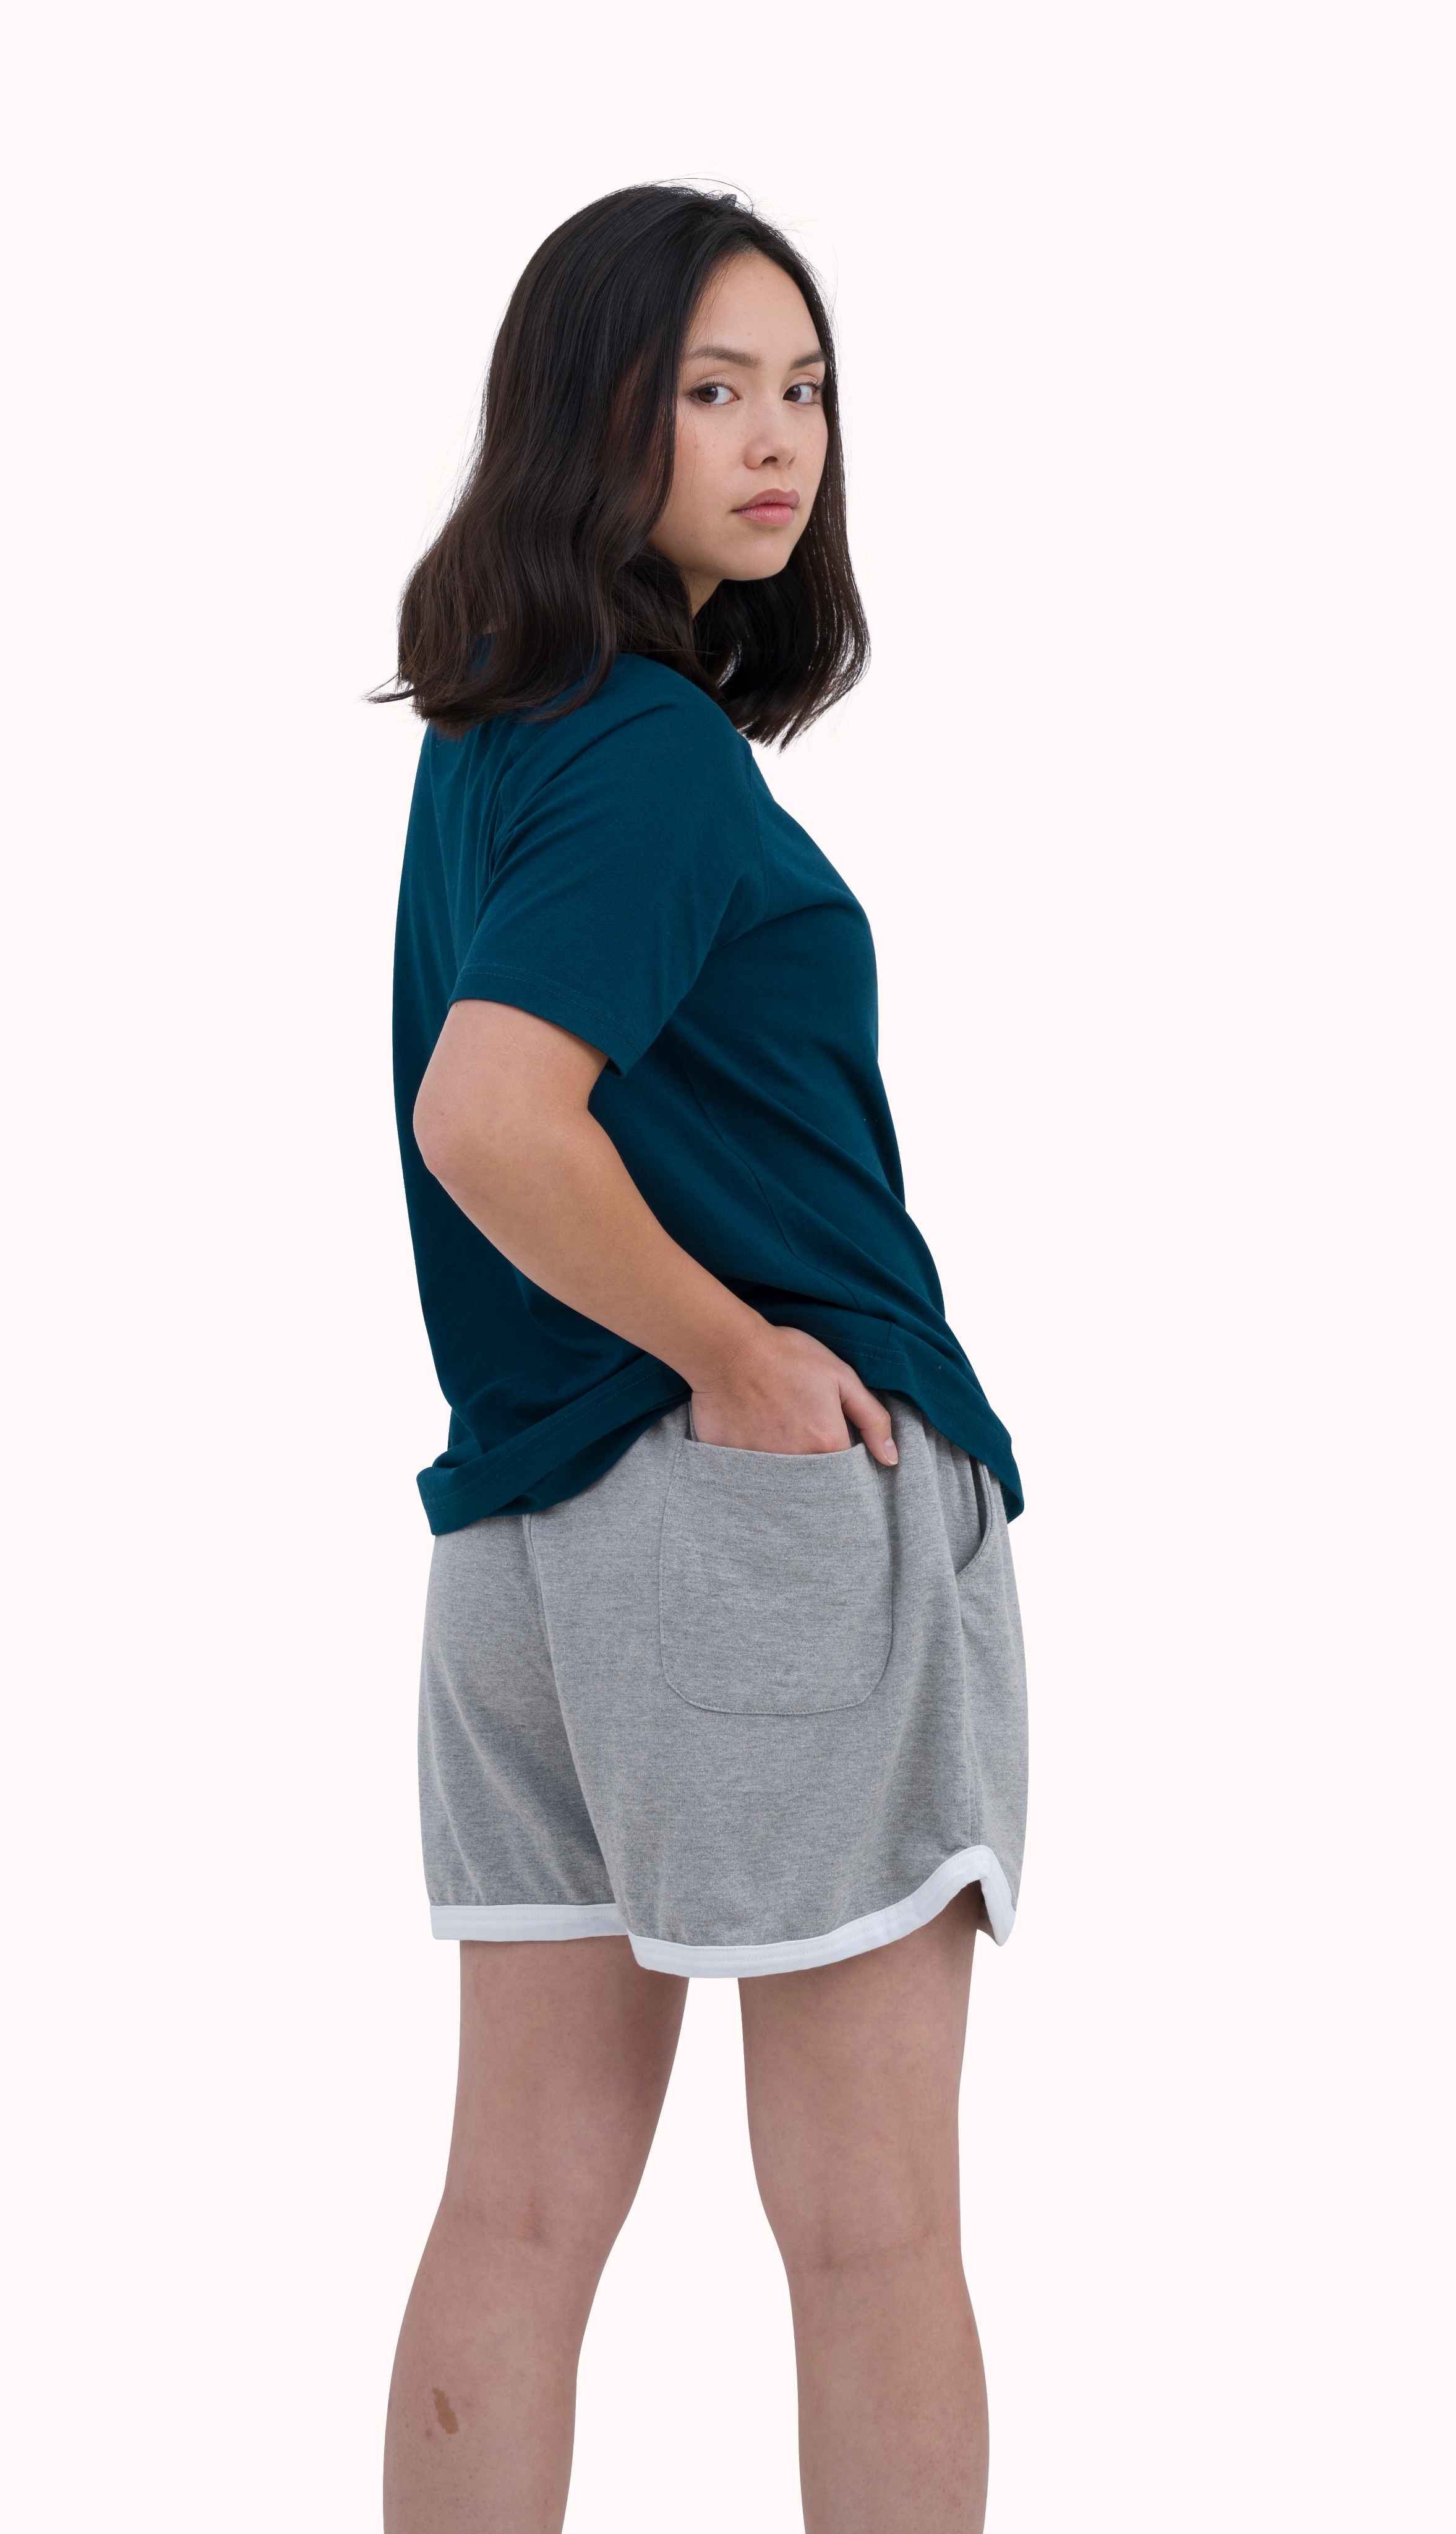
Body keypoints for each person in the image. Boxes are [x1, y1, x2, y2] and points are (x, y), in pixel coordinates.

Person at [379, 184, 1028, 2534]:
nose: (780, 441)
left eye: (807, 389)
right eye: (713, 390)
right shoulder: (649, 756)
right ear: (591, 412)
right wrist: (747, 1361)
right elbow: (490, 1117)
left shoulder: (501, 744)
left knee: (517, 2217)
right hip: (746, 1518)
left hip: (531, 1537)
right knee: (874, 2234)